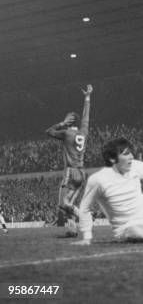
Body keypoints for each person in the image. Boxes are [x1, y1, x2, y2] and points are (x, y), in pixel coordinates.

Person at [46, 85, 93, 237]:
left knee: (62, 204)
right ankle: (72, 230)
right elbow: (86, 117)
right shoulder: (83, 132)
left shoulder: (66, 133)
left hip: (70, 172)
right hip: (82, 172)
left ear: (69, 121)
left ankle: (84, 218)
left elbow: (49, 132)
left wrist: (62, 123)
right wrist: (87, 97)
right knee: (70, 204)